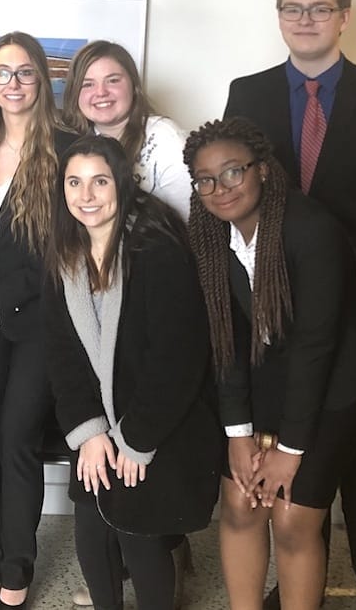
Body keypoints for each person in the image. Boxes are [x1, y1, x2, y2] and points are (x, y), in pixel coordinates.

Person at [223, 0, 356, 610]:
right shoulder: (245, 94)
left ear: (344, 16)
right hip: (271, 316)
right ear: (279, 15)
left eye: (319, 7)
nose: (305, 19)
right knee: (285, 463)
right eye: (292, 7)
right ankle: (290, 581)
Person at [185, 117, 356, 610]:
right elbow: (224, 339)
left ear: (265, 171)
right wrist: (238, 435)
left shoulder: (311, 228)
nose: (220, 188)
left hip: (339, 379)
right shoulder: (212, 237)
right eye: (206, 179)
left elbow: (316, 346)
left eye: (233, 171)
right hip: (266, 371)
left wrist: (290, 449)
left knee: (293, 515)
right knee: (240, 502)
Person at [44, 136, 217, 610]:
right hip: (99, 423)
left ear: (121, 183)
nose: (86, 195)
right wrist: (90, 433)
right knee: (90, 526)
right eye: (74, 183)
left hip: (158, 424)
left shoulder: (156, 249)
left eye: (99, 181)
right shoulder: (64, 255)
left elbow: (177, 359)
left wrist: (136, 439)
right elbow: (63, 356)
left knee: (137, 533)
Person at [0, 31, 75, 610]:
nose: (12, 84)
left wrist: (1, 293)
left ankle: (17, 571)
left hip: (38, 319)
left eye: (24, 72)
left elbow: (66, 251)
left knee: (17, 439)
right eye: (2, 73)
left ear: (42, 81)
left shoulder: (68, 149)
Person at [62, 40, 192, 219]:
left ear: (134, 86)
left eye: (113, 80)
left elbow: (191, 224)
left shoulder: (166, 141)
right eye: (88, 84)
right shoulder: (73, 142)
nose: (101, 92)